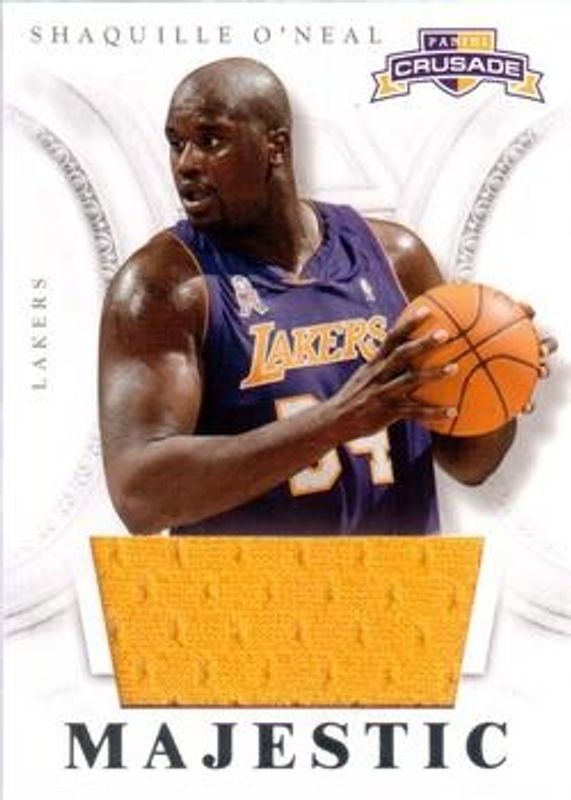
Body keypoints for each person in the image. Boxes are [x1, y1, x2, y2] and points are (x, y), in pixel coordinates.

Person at [99, 57, 555, 536]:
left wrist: (498, 379)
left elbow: (470, 463)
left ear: (275, 146)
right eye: (177, 143)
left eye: (211, 140)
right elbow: (139, 496)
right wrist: (339, 419)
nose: (186, 163)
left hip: (399, 580)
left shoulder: (395, 258)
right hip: (246, 584)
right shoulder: (164, 287)